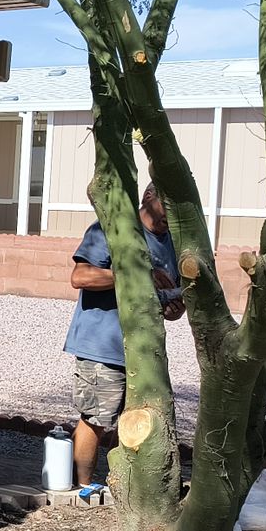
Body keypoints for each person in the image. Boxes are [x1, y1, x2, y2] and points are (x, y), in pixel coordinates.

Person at [63, 183, 186, 487]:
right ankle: (80, 490)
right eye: (167, 204)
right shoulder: (113, 229)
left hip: (144, 351)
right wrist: (136, 274)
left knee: (135, 423)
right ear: (148, 197)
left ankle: (121, 489)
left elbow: (172, 302)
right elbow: (80, 277)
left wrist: (174, 309)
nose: (171, 214)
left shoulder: (173, 243)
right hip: (102, 347)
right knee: (97, 419)